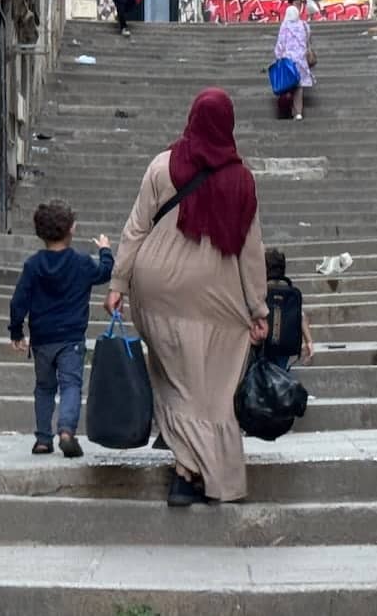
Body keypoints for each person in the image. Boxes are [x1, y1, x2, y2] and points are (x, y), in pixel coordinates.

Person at [105, 88, 269, 506]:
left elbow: (135, 228)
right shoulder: (241, 180)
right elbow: (250, 252)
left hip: (157, 287)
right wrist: (258, 307)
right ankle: (205, 475)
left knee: (175, 378)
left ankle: (184, 472)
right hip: (217, 295)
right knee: (211, 388)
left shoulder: (163, 166)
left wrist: (117, 284)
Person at [8, 200, 115, 458]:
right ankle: (66, 431)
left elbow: (18, 301)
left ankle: (43, 439)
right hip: (71, 339)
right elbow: (104, 273)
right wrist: (105, 250)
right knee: (70, 385)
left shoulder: (33, 266)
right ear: (72, 229)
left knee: (44, 387)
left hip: (42, 340)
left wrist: (16, 331)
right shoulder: (81, 263)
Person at [263, 248, 314, 370]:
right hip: (285, 347)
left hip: (264, 346)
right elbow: (300, 316)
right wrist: (309, 342)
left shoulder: (261, 292)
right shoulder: (291, 293)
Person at [274, 0, 316, 120]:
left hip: (288, 61)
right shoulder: (304, 25)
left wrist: (278, 56)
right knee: (299, 87)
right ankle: (298, 113)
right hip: (301, 61)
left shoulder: (285, 26)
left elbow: (280, 44)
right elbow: (308, 40)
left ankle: (286, 110)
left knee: (288, 85)